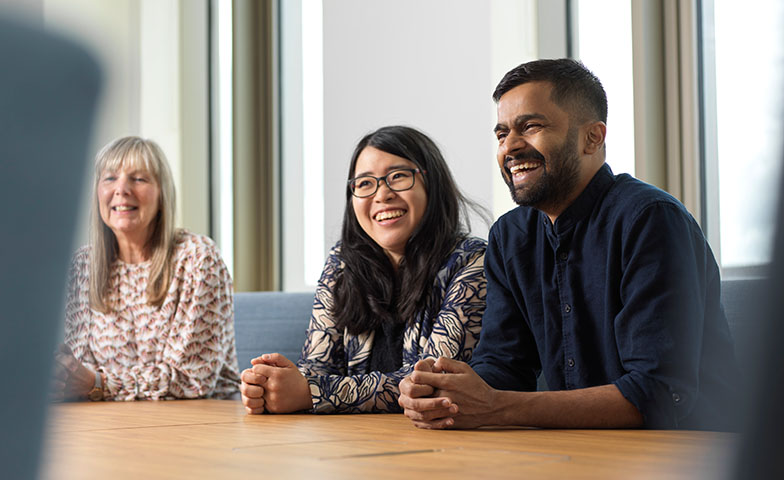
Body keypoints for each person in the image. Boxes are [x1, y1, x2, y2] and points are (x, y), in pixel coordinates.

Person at [398, 59, 740, 430]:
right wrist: (446, 394)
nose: (510, 146)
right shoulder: (509, 236)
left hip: (689, 448)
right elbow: (504, 367)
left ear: (593, 137)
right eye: (501, 134)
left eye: (531, 126)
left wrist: (495, 406)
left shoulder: (650, 219)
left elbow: (657, 393)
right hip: (576, 447)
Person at [239, 125, 487, 414]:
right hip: (353, 438)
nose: (382, 194)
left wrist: (311, 392)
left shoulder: (472, 262)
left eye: (398, 176)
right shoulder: (342, 263)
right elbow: (317, 368)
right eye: (365, 183)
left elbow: (434, 382)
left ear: (432, 183)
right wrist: (270, 385)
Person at [55, 136, 239, 401]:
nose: (122, 189)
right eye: (110, 178)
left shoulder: (198, 259)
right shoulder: (82, 265)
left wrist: (98, 383)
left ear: (162, 194)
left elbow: (191, 379)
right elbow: (76, 367)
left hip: (200, 417)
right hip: (108, 418)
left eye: (139, 179)